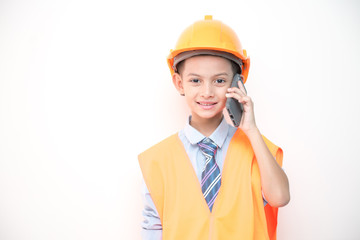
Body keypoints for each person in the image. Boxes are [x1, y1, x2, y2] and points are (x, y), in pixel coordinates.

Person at [138, 15, 290, 240]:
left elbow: (279, 197)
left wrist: (251, 130)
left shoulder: (257, 150)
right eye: (195, 80)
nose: (207, 92)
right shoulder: (157, 160)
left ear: (237, 83)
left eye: (219, 80)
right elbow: (152, 229)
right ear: (179, 83)